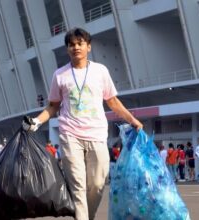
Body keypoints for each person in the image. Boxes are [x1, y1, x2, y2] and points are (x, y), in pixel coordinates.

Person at [28, 27, 143, 220]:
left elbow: (113, 102)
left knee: (97, 184)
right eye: (71, 45)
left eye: (80, 44)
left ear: (88, 47)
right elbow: (53, 106)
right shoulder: (60, 75)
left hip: (97, 135)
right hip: (70, 135)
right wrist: (36, 122)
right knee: (78, 186)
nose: (76, 48)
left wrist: (133, 120)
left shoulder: (100, 71)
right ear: (67, 49)